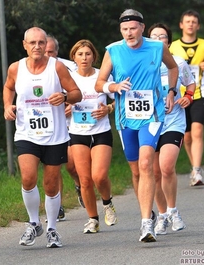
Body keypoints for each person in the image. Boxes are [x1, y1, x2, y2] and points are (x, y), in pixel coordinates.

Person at [95, 9, 178, 243]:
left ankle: (145, 224)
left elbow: (173, 68)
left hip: (152, 116)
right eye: (124, 30)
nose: (129, 33)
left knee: (145, 163)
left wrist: (171, 91)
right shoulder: (113, 50)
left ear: (142, 27)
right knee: (135, 170)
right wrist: (113, 87)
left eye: (133, 28)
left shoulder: (157, 47)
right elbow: (99, 83)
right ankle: (148, 210)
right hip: (124, 118)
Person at [3, 27, 82, 248]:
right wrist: (7, 105)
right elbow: (8, 87)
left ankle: (52, 228)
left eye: (41, 42)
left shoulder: (56, 67)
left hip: (55, 135)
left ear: (45, 45)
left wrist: (65, 96)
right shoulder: (16, 68)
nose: (37, 47)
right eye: (32, 43)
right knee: (28, 178)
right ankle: (34, 223)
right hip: (26, 132)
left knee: (50, 184)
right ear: (24, 45)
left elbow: (77, 93)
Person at [147, 23, 196, 235]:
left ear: (169, 41)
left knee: (166, 167)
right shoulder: (142, 64)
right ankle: (163, 215)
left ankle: (174, 210)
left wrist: (187, 97)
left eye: (163, 37)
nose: (159, 40)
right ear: (147, 40)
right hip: (149, 123)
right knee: (155, 172)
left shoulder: (178, 62)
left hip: (173, 121)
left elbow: (191, 84)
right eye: (154, 36)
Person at [68, 39, 117, 234]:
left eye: (88, 54)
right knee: (85, 180)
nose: (84, 58)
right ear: (74, 57)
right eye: (80, 54)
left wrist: (108, 109)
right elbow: (60, 99)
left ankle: (107, 203)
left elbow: (118, 99)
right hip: (78, 132)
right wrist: (66, 107)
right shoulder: (68, 78)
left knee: (99, 176)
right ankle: (92, 219)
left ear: (94, 57)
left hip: (101, 132)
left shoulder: (102, 76)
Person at [170, 9, 204, 186]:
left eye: (193, 21)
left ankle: (197, 171)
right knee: (187, 137)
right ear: (181, 25)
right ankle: (193, 167)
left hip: (200, 92)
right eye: (187, 21)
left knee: (197, 130)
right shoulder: (173, 46)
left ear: (198, 25)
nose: (190, 24)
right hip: (180, 95)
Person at [44, 35, 85, 223]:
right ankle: (57, 205)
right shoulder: (28, 67)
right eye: (45, 51)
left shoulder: (69, 67)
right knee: (53, 165)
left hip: (70, 122)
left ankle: (79, 185)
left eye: (50, 52)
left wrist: (70, 102)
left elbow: (80, 92)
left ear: (56, 52)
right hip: (47, 124)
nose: (46, 54)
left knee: (71, 165)